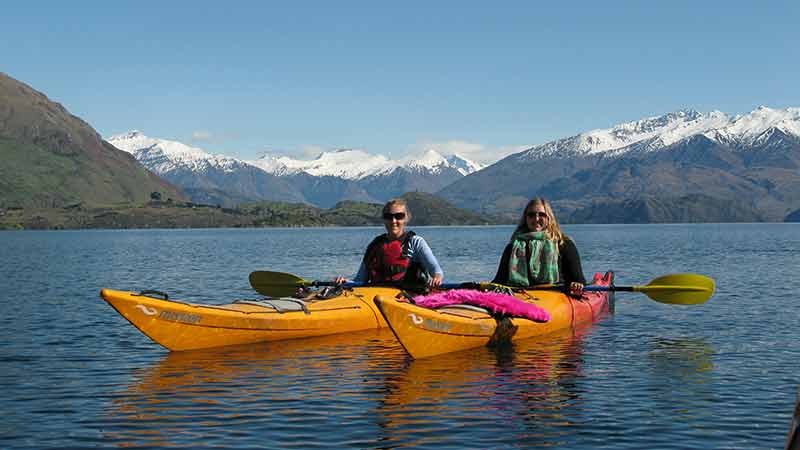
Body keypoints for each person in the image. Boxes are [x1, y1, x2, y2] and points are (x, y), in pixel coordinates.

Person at [335, 199, 444, 289]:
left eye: (399, 216)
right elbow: (359, 281)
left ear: (406, 219)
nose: (393, 221)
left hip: (409, 297)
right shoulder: (375, 245)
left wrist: (437, 278)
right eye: (388, 216)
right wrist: (346, 282)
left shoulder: (416, 242)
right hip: (377, 298)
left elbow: (436, 271)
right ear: (383, 219)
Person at [492, 197, 585, 297]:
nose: (536, 219)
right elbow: (499, 281)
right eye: (531, 215)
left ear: (549, 218)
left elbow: (579, 280)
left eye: (541, 215)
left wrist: (577, 285)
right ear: (526, 219)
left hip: (556, 298)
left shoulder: (564, 244)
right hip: (521, 298)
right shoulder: (512, 248)